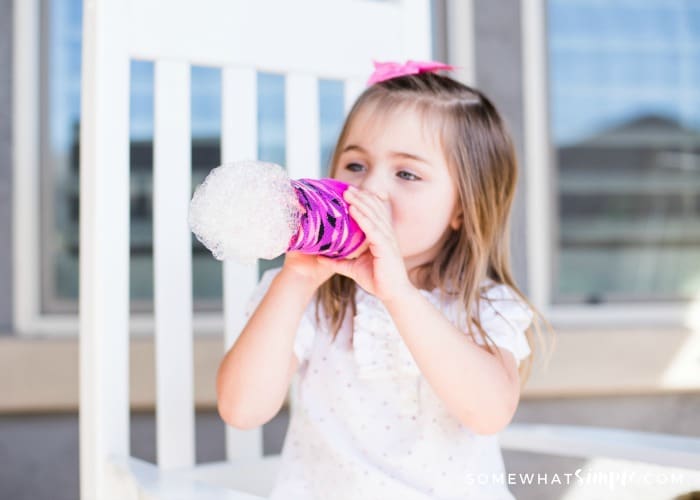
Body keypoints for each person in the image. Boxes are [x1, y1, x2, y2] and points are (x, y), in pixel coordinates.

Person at [216, 60, 553, 500]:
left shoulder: (484, 306)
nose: (368, 189)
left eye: (407, 174)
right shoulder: (316, 300)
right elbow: (241, 409)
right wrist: (296, 279)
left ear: (461, 210)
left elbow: (488, 413)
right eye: (355, 165)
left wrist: (399, 295)